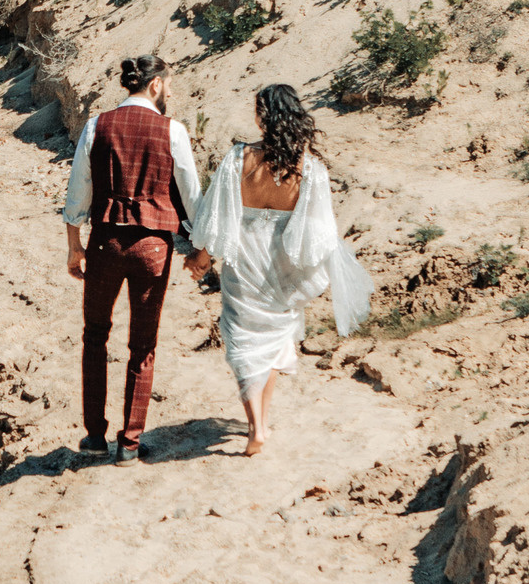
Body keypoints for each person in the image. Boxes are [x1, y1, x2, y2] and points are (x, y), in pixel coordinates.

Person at [186, 83, 374, 456]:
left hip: (245, 260)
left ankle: (256, 423)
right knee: (273, 340)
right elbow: (320, 230)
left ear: (263, 117)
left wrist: (202, 256)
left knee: (241, 339)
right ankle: (261, 425)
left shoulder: (239, 158)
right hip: (284, 261)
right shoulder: (310, 168)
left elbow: (216, 213)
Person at [61, 54, 210, 462]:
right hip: (153, 247)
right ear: (156, 84)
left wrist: (74, 244)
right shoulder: (172, 130)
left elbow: (79, 189)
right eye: (169, 85)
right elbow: (192, 197)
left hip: (105, 243)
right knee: (143, 344)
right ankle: (129, 443)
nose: (170, 93)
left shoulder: (98, 125)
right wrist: (201, 249)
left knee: (95, 335)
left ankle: (95, 435)